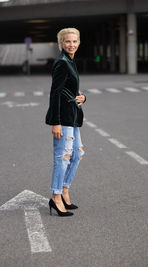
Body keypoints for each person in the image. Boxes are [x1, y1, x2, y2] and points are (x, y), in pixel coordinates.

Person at [45, 28, 86, 217]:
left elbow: (67, 90)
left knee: (77, 154)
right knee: (63, 158)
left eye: (74, 41)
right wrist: (56, 122)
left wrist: (82, 97)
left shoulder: (70, 61)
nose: (72, 44)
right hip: (63, 118)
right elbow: (55, 93)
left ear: (78, 42)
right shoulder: (61, 63)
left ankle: (65, 190)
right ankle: (56, 196)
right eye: (68, 41)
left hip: (73, 116)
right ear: (61, 43)